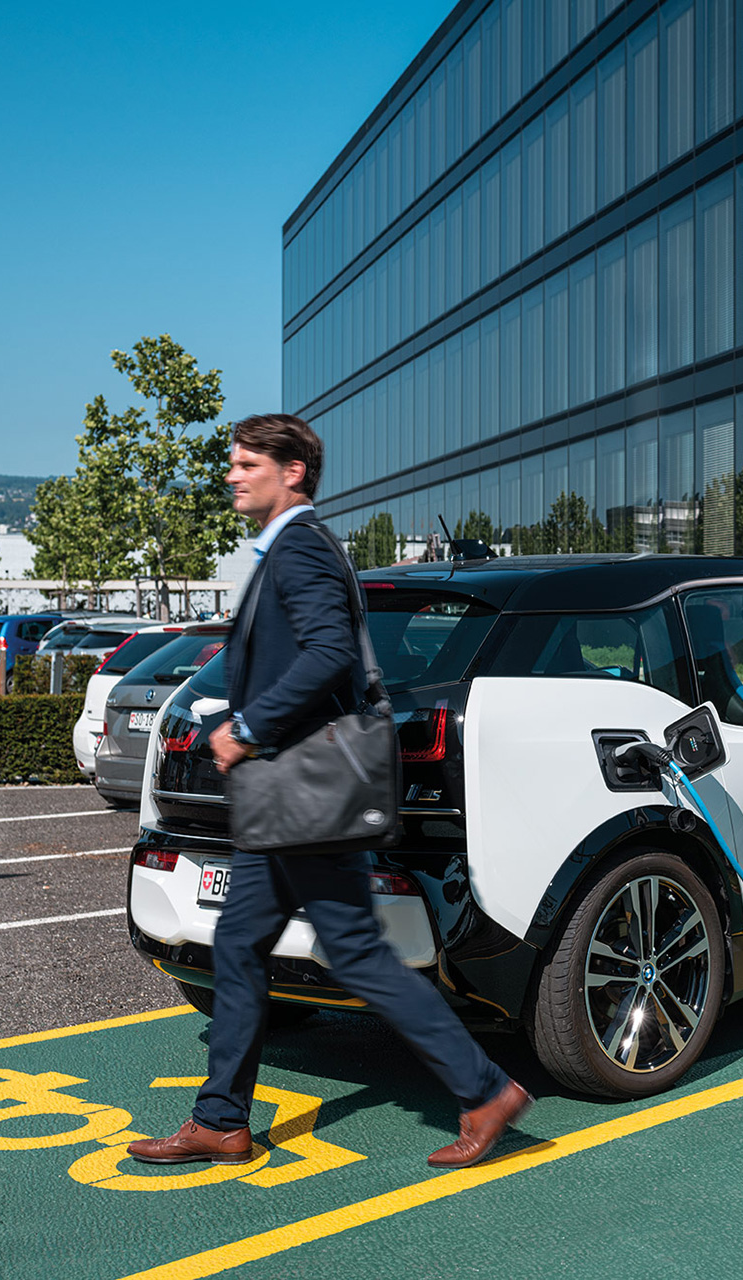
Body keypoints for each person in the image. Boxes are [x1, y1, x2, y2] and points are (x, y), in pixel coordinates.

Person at [126, 413, 530, 1170]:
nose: (233, 474)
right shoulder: (287, 548)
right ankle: (220, 1120)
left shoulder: (302, 547)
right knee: (242, 946)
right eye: (234, 462)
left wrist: (247, 726)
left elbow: (328, 653)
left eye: (248, 463)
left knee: (354, 952)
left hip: (302, 796)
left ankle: (484, 1089)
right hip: (285, 800)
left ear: (293, 472)